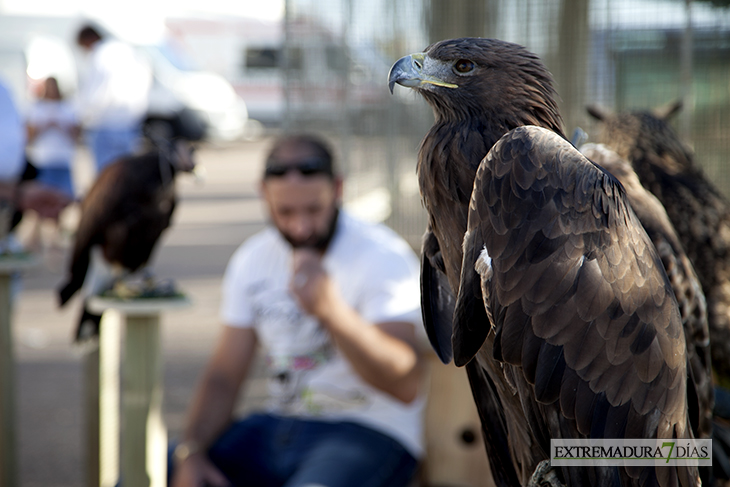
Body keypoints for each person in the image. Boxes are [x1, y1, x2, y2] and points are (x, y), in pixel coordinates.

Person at [170, 134, 425, 487]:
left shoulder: (383, 256)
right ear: (263, 193)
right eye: (285, 213)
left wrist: (331, 311)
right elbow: (223, 375)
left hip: (368, 431)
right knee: (153, 470)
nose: (300, 227)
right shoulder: (254, 258)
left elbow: (404, 382)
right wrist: (192, 451)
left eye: (313, 210)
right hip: (276, 425)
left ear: (337, 188)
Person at [75, 24, 152, 174]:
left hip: (104, 125)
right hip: (130, 124)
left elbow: (95, 94)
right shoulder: (129, 51)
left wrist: (82, 117)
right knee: (126, 176)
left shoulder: (100, 54)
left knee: (107, 177)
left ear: (88, 40)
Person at [26, 76, 80, 199]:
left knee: (64, 197)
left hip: (63, 160)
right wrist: (46, 125)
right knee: (42, 199)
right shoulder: (36, 108)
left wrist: (60, 126)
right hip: (42, 160)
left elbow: (77, 134)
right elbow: (29, 135)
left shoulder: (67, 108)